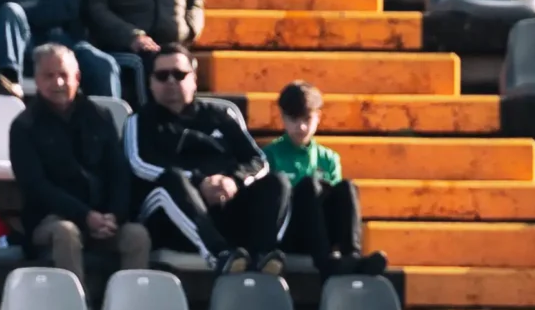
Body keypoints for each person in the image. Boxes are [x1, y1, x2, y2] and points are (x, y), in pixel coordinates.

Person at [126, 45, 289, 275]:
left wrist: (233, 181)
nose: (171, 81)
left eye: (179, 74)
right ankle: (219, 255)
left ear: (194, 79)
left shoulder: (221, 115)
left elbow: (258, 160)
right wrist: (199, 182)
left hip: (224, 207)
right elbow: (140, 164)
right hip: (169, 219)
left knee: (277, 181)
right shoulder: (140, 121)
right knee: (173, 178)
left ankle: (263, 256)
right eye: (162, 76)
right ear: (151, 83)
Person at [9, 43, 149, 284]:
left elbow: (118, 173)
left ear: (77, 77)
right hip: (50, 219)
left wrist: (114, 215)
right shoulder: (24, 126)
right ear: (37, 80)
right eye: (49, 76)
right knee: (66, 233)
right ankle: (75, 303)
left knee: (137, 235)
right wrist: (85, 216)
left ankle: (128, 304)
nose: (58, 83)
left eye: (64, 75)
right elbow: (36, 187)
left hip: (103, 217)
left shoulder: (100, 116)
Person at [261, 82, 390, 276]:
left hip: (324, 230)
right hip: (291, 232)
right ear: (282, 117)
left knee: (347, 186)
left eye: (307, 119)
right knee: (309, 186)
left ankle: (352, 255)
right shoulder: (270, 155)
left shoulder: (328, 158)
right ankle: (325, 261)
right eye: (294, 119)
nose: (301, 127)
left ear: (318, 117)